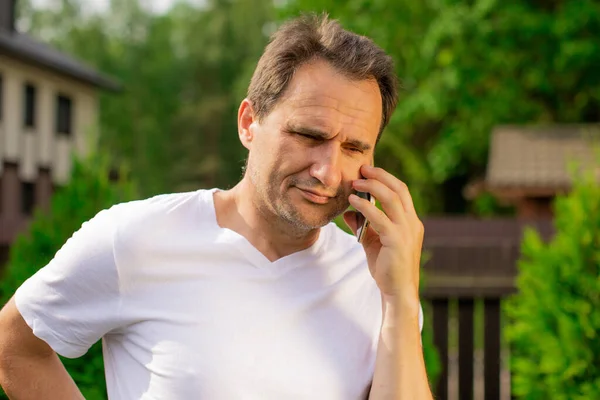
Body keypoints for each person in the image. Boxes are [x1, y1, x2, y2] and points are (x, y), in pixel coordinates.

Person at [0, 14, 433, 400]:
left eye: (354, 148)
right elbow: (12, 345)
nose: (328, 171)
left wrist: (399, 298)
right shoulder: (137, 238)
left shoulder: (376, 281)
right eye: (309, 136)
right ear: (249, 122)